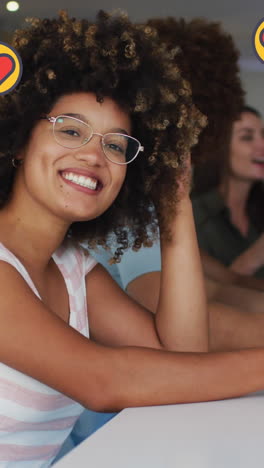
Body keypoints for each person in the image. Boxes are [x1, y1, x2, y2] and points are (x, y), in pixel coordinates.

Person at [1, 11, 264, 467]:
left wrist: (173, 197)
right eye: (70, 129)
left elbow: (182, 360)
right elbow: (102, 381)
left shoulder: (74, 268)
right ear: (21, 139)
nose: (93, 154)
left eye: (117, 144)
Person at [193, 106, 264, 277]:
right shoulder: (192, 216)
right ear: (220, 148)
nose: (262, 145)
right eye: (247, 137)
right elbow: (204, 294)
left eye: (263, 135)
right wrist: (255, 256)